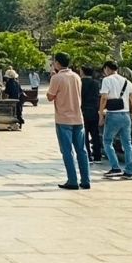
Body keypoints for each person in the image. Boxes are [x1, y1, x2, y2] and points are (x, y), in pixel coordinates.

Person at [46, 53, 90, 191]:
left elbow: (50, 97)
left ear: (58, 63)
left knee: (67, 151)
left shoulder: (57, 78)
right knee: (82, 150)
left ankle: (72, 180)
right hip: (78, 118)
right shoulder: (77, 76)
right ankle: (85, 180)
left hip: (63, 118)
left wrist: (52, 78)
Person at [99, 60, 132, 181]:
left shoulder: (107, 80)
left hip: (113, 115)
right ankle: (129, 170)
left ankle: (115, 167)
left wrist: (101, 114)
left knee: (107, 141)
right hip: (126, 115)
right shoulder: (127, 81)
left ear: (107, 68)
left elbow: (104, 98)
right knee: (127, 143)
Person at [81, 66, 105, 163]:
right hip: (95, 110)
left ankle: (88, 156)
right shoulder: (97, 83)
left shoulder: (80, 83)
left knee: (85, 134)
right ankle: (97, 156)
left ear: (82, 72)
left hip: (83, 111)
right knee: (95, 134)